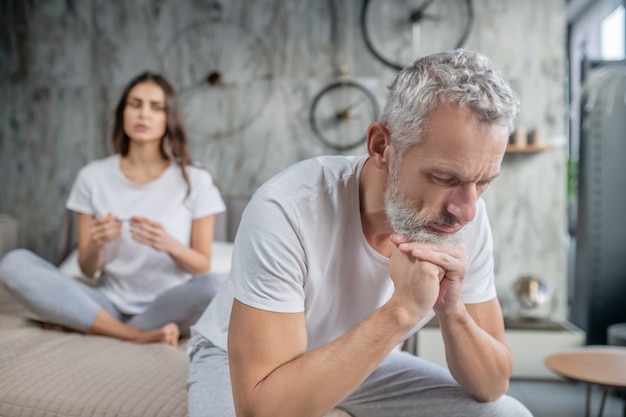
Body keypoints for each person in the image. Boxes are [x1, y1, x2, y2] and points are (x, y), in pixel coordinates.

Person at [186, 49, 533, 416]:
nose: (466, 209)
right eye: (444, 178)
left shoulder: (467, 215)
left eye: (482, 183)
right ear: (381, 146)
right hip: (243, 360)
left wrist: (452, 308)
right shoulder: (287, 207)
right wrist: (401, 311)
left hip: (366, 356)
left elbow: (493, 385)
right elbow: (263, 409)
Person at [0, 71, 227, 347]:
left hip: (167, 305)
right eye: (135, 104)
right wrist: (96, 244)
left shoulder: (195, 179)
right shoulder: (92, 177)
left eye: (156, 107)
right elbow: (86, 268)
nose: (144, 114)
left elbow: (203, 265)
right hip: (105, 302)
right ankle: (133, 334)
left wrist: (169, 244)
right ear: (123, 113)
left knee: (215, 285)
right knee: (13, 264)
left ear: (169, 118)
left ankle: (90, 325)